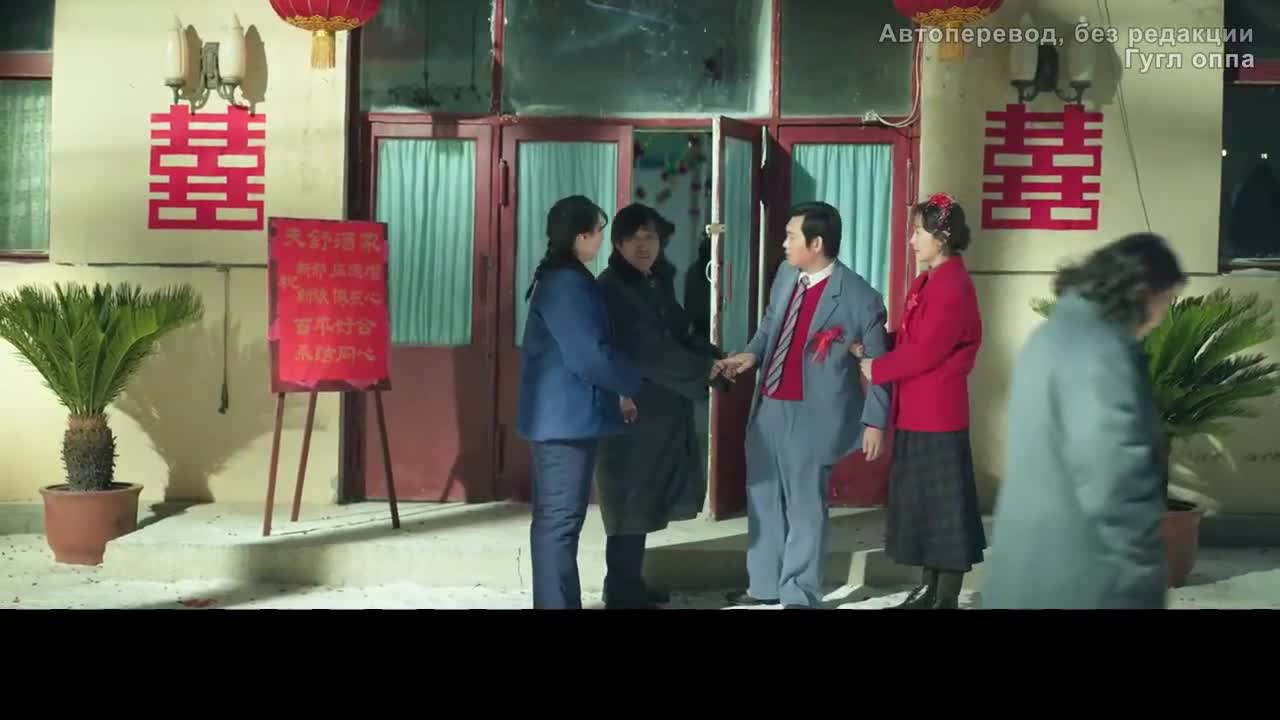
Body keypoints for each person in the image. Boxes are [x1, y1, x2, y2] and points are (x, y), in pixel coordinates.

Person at [982, 233, 1185, 610]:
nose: (1162, 318)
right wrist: (1141, 576)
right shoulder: (1100, 352)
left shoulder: (1050, 336)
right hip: (1086, 577)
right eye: (1167, 301)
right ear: (1143, 293)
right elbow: (1115, 481)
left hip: (1030, 566)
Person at [717, 201, 892, 609]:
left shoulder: (860, 297)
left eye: (790, 236)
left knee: (804, 508)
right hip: (769, 406)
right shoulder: (785, 275)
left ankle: (798, 593)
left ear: (816, 244)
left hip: (815, 415)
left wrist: (875, 422)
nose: (783, 243)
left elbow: (879, 365)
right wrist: (751, 355)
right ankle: (764, 586)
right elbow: (769, 326)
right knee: (763, 497)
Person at [856, 193, 985, 610]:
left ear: (941, 237)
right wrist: (875, 346)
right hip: (916, 409)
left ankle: (945, 596)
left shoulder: (953, 286)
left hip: (938, 413)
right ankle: (930, 588)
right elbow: (913, 339)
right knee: (927, 507)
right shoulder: (928, 280)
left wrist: (880, 367)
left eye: (917, 232)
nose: (911, 240)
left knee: (945, 508)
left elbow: (928, 350)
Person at [595, 204, 726, 609]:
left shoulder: (654, 281)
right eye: (634, 238)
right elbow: (647, 348)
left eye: (649, 237)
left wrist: (711, 356)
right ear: (617, 243)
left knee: (643, 501)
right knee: (628, 502)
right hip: (629, 410)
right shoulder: (612, 288)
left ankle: (628, 584)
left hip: (657, 411)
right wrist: (704, 369)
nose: (643, 246)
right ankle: (620, 590)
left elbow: (678, 328)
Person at [517, 195, 643, 610]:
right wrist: (631, 381)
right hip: (563, 421)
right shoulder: (567, 284)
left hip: (563, 418)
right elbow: (588, 355)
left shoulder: (565, 277)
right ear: (580, 236)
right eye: (599, 231)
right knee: (560, 521)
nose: (602, 239)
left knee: (557, 520)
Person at [684, 231, 713, 339]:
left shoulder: (693, 270)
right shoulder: (695, 270)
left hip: (702, 321)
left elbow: (688, 302)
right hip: (703, 321)